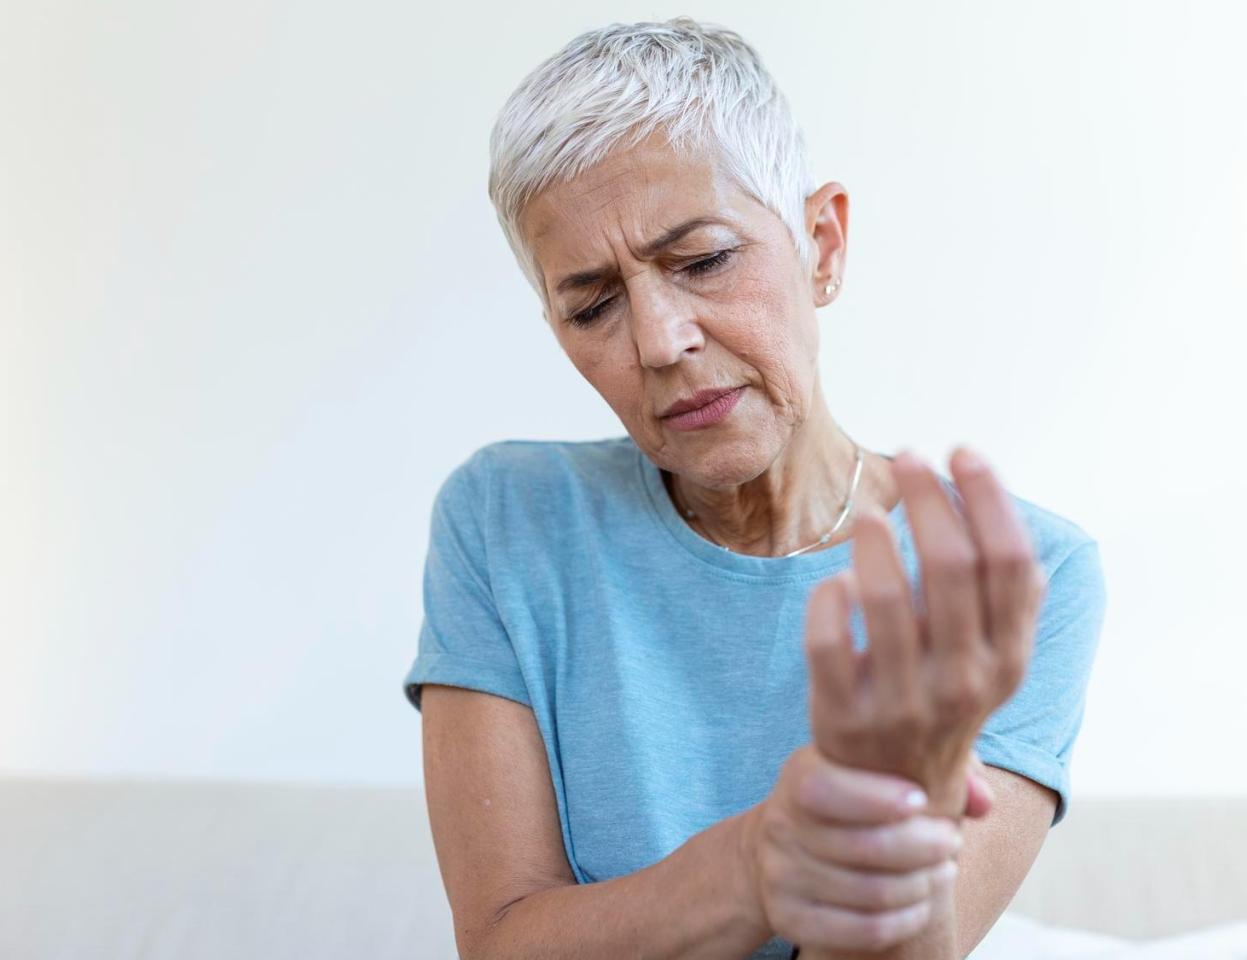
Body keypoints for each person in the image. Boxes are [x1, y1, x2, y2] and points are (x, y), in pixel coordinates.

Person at [402, 17, 1106, 960]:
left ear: (822, 244)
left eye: (703, 262)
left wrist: (887, 828)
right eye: (593, 304)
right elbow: (501, 943)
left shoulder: (1020, 574)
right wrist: (760, 863)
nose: (660, 340)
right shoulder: (507, 521)